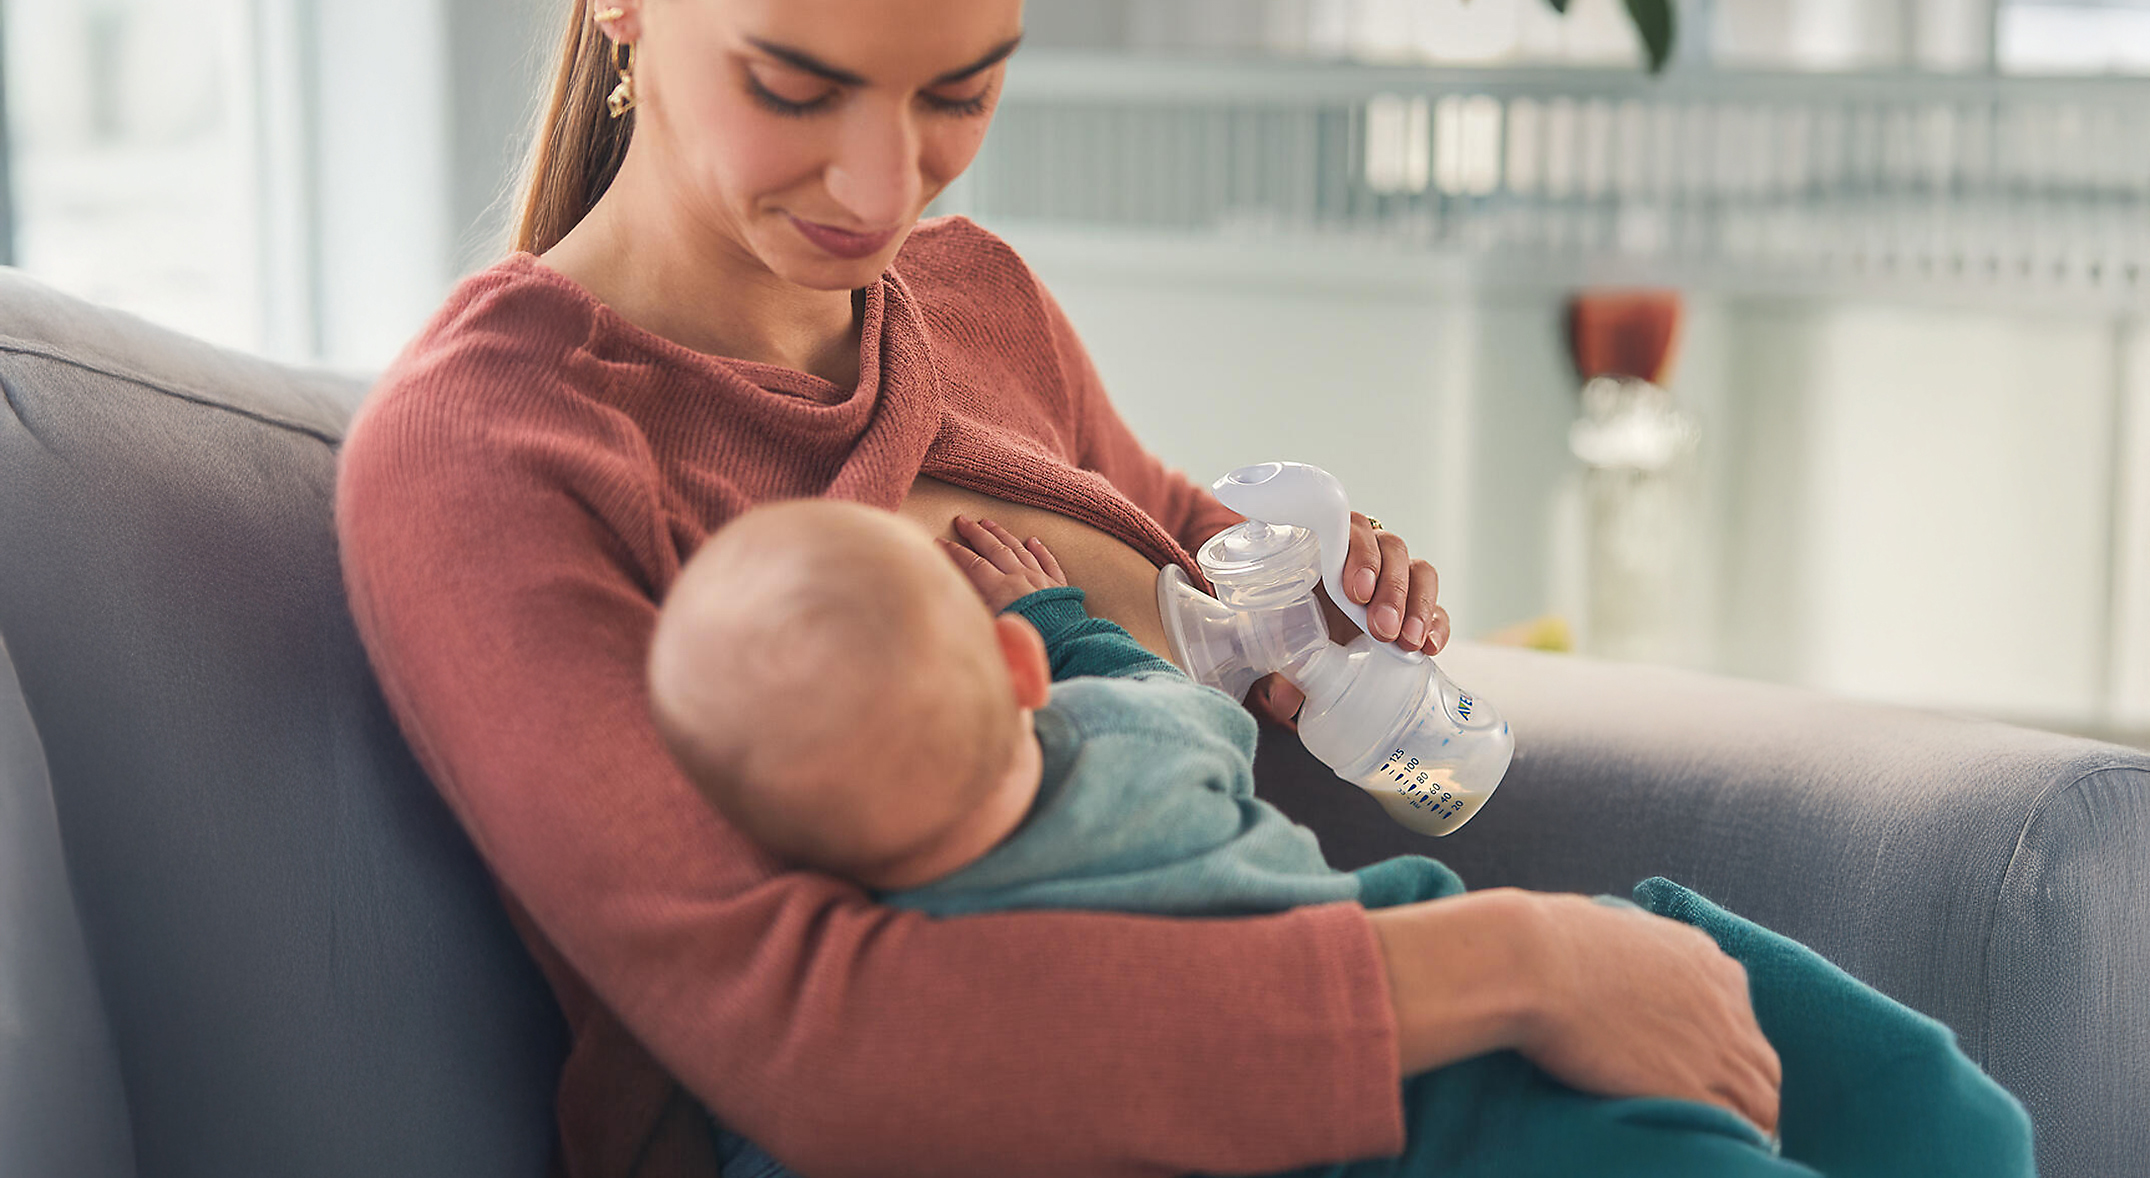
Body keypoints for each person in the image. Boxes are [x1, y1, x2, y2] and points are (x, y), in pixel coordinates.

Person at [336, 0, 1795, 1174]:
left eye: (958, 92)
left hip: (1308, 1002)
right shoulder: (496, 445)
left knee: (1903, 1095)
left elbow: (1198, 571)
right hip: (1072, 1116)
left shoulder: (979, 301)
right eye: (794, 86)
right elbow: (821, 1047)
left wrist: (1318, 589)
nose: (880, 183)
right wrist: (1521, 963)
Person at [645, 500, 2033, 1178]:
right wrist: (1062, 614)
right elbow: (1142, 669)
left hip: (1399, 1107)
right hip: (1423, 1045)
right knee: (1925, 1105)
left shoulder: (883, 969)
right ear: (1015, 679)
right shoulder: (1121, 737)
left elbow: (792, 1113)